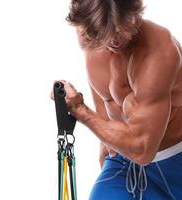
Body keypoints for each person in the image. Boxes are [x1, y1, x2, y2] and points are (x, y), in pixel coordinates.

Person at [51, 0, 182, 199]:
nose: (112, 40)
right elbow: (101, 89)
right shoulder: (91, 29)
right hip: (123, 161)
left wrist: (82, 112)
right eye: (104, 34)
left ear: (135, 10)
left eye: (119, 30)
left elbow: (142, 150)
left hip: (174, 163)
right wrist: (105, 135)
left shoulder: (159, 52)